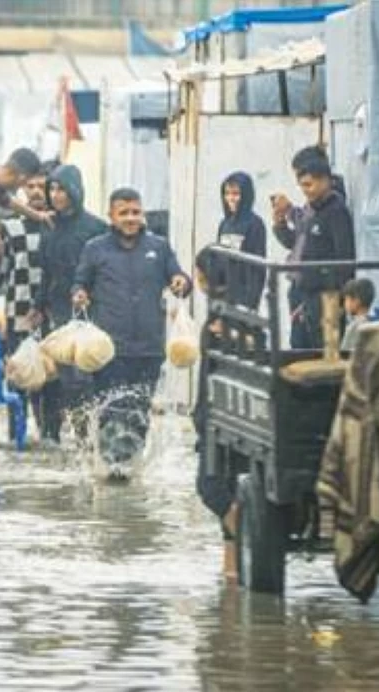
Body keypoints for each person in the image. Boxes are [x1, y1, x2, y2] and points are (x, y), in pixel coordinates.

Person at [72, 187, 191, 481]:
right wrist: (80, 294)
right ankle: (112, 469)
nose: (130, 218)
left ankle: (130, 467)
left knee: (139, 412)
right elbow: (79, 283)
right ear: (111, 216)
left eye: (136, 212)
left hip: (149, 349)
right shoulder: (95, 248)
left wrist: (180, 281)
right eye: (123, 213)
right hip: (109, 349)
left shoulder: (159, 247)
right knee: (111, 411)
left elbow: (181, 277)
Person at [36, 163, 108, 437]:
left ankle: (90, 435)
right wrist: (38, 305)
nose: (55, 195)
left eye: (61, 189)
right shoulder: (49, 227)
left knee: (87, 375)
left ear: (74, 191)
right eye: (51, 188)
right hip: (58, 311)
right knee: (62, 378)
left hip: (90, 311)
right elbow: (45, 271)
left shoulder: (96, 228)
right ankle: (65, 437)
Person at [272, 153, 355, 349]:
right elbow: (297, 244)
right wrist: (279, 224)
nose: (305, 191)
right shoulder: (310, 209)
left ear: (325, 181)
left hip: (326, 296)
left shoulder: (336, 211)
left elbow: (345, 259)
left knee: (326, 353)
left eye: (309, 185)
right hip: (303, 292)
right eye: (302, 186)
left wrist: (334, 297)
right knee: (299, 348)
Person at [192, 245, 240, 581]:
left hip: (220, 418)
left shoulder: (221, 321)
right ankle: (231, 566)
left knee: (211, 487)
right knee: (229, 486)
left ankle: (241, 526)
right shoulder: (236, 310)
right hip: (230, 415)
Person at [0, 169, 50, 442]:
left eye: (42, 186)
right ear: (22, 190)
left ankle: (47, 439)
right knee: (16, 378)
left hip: (51, 317)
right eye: (31, 186)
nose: (37, 192)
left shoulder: (58, 225)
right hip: (18, 313)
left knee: (48, 382)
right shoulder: (10, 226)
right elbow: (2, 275)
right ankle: (16, 438)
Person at [217, 171, 267, 310]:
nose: (230, 198)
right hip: (224, 295)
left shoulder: (255, 224)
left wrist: (252, 302)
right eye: (227, 193)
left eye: (235, 194)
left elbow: (258, 267)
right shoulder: (224, 224)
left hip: (245, 297)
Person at [341, 277, 375, 352]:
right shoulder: (372, 324)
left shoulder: (355, 327)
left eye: (346, 299)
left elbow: (345, 354)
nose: (345, 303)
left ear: (356, 301)